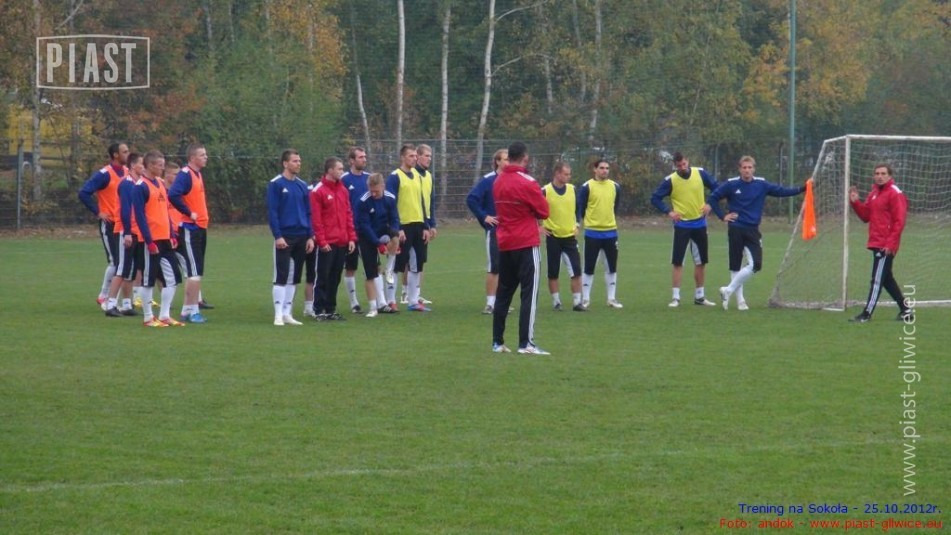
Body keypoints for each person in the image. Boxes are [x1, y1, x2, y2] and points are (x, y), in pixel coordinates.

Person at [703, 155, 807, 310]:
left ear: (754, 169)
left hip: (752, 230)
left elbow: (781, 191)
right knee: (735, 265)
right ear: (740, 169)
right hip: (736, 229)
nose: (747, 170)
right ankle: (740, 301)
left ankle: (728, 290)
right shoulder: (731, 184)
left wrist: (801, 189)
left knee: (755, 265)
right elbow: (713, 198)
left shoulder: (761, 184)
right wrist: (722, 216)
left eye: (749, 167)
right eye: (744, 167)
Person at [491, 141, 551, 355]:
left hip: (505, 242)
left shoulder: (498, 181)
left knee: (503, 293)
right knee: (529, 293)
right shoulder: (528, 182)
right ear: (525, 158)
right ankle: (526, 343)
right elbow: (544, 211)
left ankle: (497, 342)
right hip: (525, 242)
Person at [650, 152, 719, 307]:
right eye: (679, 165)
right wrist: (669, 212)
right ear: (675, 165)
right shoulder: (670, 180)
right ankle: (676, 297)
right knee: (678, 262)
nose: (682, 167)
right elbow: (655, 198)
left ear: (688, 161)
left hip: (700, 224)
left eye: (684, 164)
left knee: (701, 261)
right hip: (681, 225)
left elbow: (718, 189)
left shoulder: (700, 173)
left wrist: (710, 204)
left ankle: (700, 297)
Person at [848, 164, 913, 323]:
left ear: (890, 176)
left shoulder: (895, 193)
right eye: (877, 173)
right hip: (876, 241)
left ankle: (866, 314)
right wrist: (855, 202)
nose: (880, 176)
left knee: (876, 280)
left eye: (883, 173)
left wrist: (890, 244)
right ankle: (906, 310)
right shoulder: (874, 193)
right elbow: (866, 216)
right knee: (886, 279)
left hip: (886, 244)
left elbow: (899, 221)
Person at [132, 150, 184, 327]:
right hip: (150, 241)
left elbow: (165, 213)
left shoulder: (160, 184)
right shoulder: (140, 186)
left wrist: (172, 234)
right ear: (150, 165)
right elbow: (140, 216)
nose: (162, 168)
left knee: (173, 277)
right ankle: (148, 318)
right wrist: (149, 241)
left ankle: (164, 315)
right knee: (148, 279)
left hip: (165, 239)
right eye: (160, 165)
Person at [267, 149, 315, 326]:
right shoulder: (276, 184)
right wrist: (278, 236)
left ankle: (287, 313)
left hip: (301, 236)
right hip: (285, 236)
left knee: (294, 277)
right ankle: (278, 314)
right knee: (281, 275)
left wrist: (310, 236)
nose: (298, 164)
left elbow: (308, 212)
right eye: (295, 161)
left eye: (299, 161)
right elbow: (273, 212)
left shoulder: (302, 185)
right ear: (285, 163)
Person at [78, 142, 128, 309]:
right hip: (110, 224)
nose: (127, 154)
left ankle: (110, 297)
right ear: (115, 155)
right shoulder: (104, 174)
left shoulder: (127, 172)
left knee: (122, 263)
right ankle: (104, 296)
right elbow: (84, 192)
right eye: (124, 151)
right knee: (115, 261)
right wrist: (98, 211)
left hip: (124, 225)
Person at [385, 144, 431, 312]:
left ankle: (413, 301)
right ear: (402, 157)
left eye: (415, 156)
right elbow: (390, 205)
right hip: (403, 226)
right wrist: (397, 228)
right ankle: (390, 300)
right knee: (396, 265)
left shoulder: (418, 176)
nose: (414, 158)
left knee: (416, 265)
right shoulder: (395, 177)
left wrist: (426, 225)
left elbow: (422, 202)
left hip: (418, 225)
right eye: (411, 156)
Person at [310, 157, 357, 320]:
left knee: (335, 277)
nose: (342, 172)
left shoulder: (343, 190)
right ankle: (318, 310)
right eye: (339, 169)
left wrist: (351, 238)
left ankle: (330, 309)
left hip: (341, 241)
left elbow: (348, 215)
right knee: (323, 275)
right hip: (327, 242)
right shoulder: (318, 191)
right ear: (330, 170)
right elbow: (316, 220)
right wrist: (321, 241)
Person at [169, 143, 210, 323]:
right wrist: (188, 212)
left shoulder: (197, 174)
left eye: (205, 154)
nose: (205, 157)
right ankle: (193, 311)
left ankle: (187, 310)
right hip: (190, 229)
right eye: (202, 155)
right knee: (193, 272)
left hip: (200, 227)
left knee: (197, 271)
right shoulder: (185, 174)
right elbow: (173, 194)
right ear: (192, 158)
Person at [466, 148, 508, 314]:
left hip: (511, 231)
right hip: (495, 231)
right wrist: (484, 217)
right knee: (494, 266)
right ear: (497, 161)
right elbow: (471, 199)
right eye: (505, 159)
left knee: (507, 268)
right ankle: (490, 303)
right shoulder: (488, 180)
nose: (508, 162)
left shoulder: (513, 179)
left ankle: (501, 301)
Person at [577, 159, 622, 309]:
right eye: (602, 168)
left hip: (611, 233)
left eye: (607, 168)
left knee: (611, 267)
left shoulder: (615, 187)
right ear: (595, 170)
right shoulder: (587, 187)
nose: (605, 171)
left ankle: (611, 298)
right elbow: (581, 208)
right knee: (589, 267)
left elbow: (615, 207)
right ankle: (585, 299)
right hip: (592, 233)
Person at [355, 173, 402, 317]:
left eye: (376, 191)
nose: (374, 194)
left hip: (383, 230)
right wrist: (378, 244)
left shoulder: (390, 198)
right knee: (371, 272)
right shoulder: (363, 201)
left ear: (383, 186)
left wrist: (394, 232)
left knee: (397, 235)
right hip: (365, 236)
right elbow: (365, 226)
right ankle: (374, 307)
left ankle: (389, 268)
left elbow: (394, 219)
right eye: (371, 191)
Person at [541, 161, 584, 312]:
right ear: (557, 173)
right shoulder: (545, 191)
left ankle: (577, 302)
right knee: (553, 271)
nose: (568, 177)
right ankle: (556, 302)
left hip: (570, 237)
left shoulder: (572, 189)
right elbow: (534, 209)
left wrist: (577, 224)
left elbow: (578, 209)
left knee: (576, 270)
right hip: (553, 237)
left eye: (569, 174)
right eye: (566, 174)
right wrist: (539, 226)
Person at [341, 147, 371, 314]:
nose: (364, 159)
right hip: (351, 231)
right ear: (351, 161)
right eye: (360, 157)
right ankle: (354, 303)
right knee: (351, 267)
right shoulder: (344, 179)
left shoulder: (369, 178)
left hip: (367, 230)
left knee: (373, 266)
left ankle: (378, 301)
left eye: (364, 157)